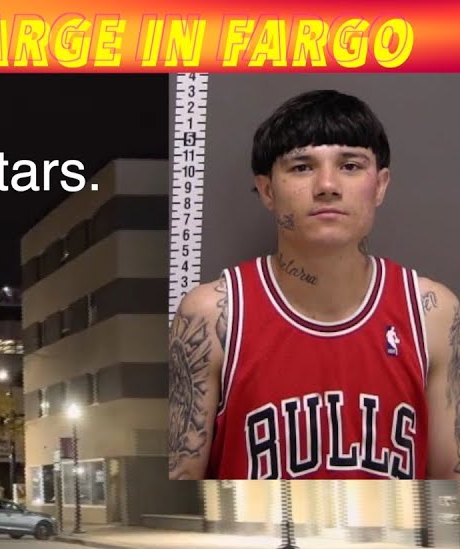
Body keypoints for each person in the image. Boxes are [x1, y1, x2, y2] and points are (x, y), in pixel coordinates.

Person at [169, 89, 459, 480]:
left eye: (350, 166)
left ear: (380, 185)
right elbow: (178, 493)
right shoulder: (212, 316)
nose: (327, 185)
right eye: (302, 167)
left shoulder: (432, 314)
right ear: (268, 190)